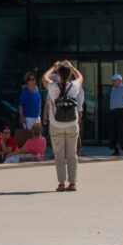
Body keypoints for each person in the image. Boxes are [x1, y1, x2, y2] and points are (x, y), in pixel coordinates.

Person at [44, 60, 85, 191]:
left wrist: (53, 68)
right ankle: (72, 183)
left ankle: (61, 183)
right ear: (69, 75)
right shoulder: (74, 86)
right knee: (72, 154)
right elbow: (80, 77)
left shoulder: (53, 86)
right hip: (72, 123)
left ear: (59, 75)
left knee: (59, 154)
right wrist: (72, 67)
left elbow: (44, 78)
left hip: (56, 123)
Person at [16, 71, 43, 145]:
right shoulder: (25, 91)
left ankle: (37, 151)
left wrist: (40, 110)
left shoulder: (36, 88)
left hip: (37, 116)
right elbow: (21, 105)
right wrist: (22, 117)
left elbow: (39, 100)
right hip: (28, 117)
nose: (34, 81)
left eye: (34, 79)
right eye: (32, 79)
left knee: (38, 135)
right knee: (29, 136)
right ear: (27, 81)